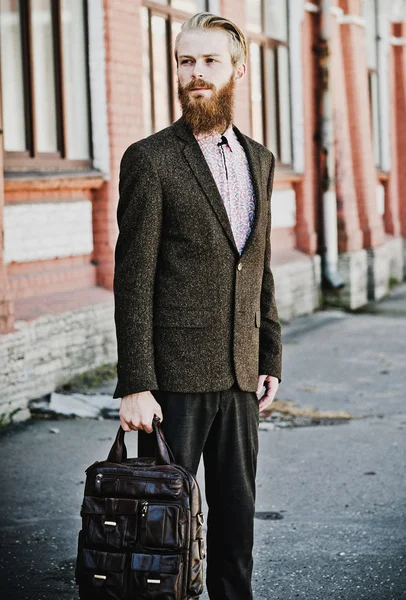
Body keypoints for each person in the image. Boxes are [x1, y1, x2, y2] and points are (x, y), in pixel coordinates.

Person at [113, 12, 282, 600]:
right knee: (160, 534)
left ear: (237, 69)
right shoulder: (151, 159)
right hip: (173, 384)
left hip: (238, 377)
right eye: (186, 61)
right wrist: (135, 382)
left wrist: (270, 356)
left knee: (237, 530)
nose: (196, 73)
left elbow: (258, 267)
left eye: (209, 61)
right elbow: (132, 278)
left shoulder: (260, 161)